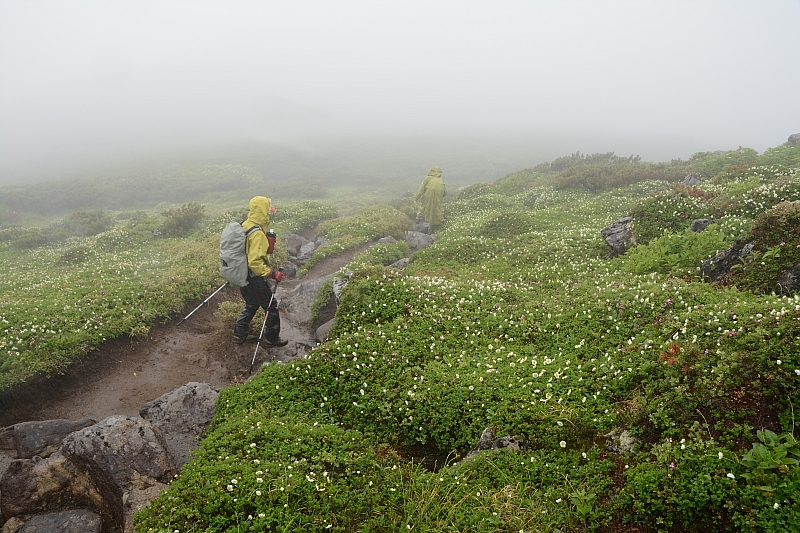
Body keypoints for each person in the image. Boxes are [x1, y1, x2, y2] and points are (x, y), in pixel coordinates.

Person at [233, 196, 288, 346]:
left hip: (241, 274)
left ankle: (239, 334)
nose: (270, 212)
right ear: (263, 211)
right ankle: (271, 339)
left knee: (251, 303)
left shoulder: (245, 225)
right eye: (268, 209)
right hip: (254, 277)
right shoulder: (257, 233)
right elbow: (255, 262)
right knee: (271, 306)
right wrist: (272, 273)